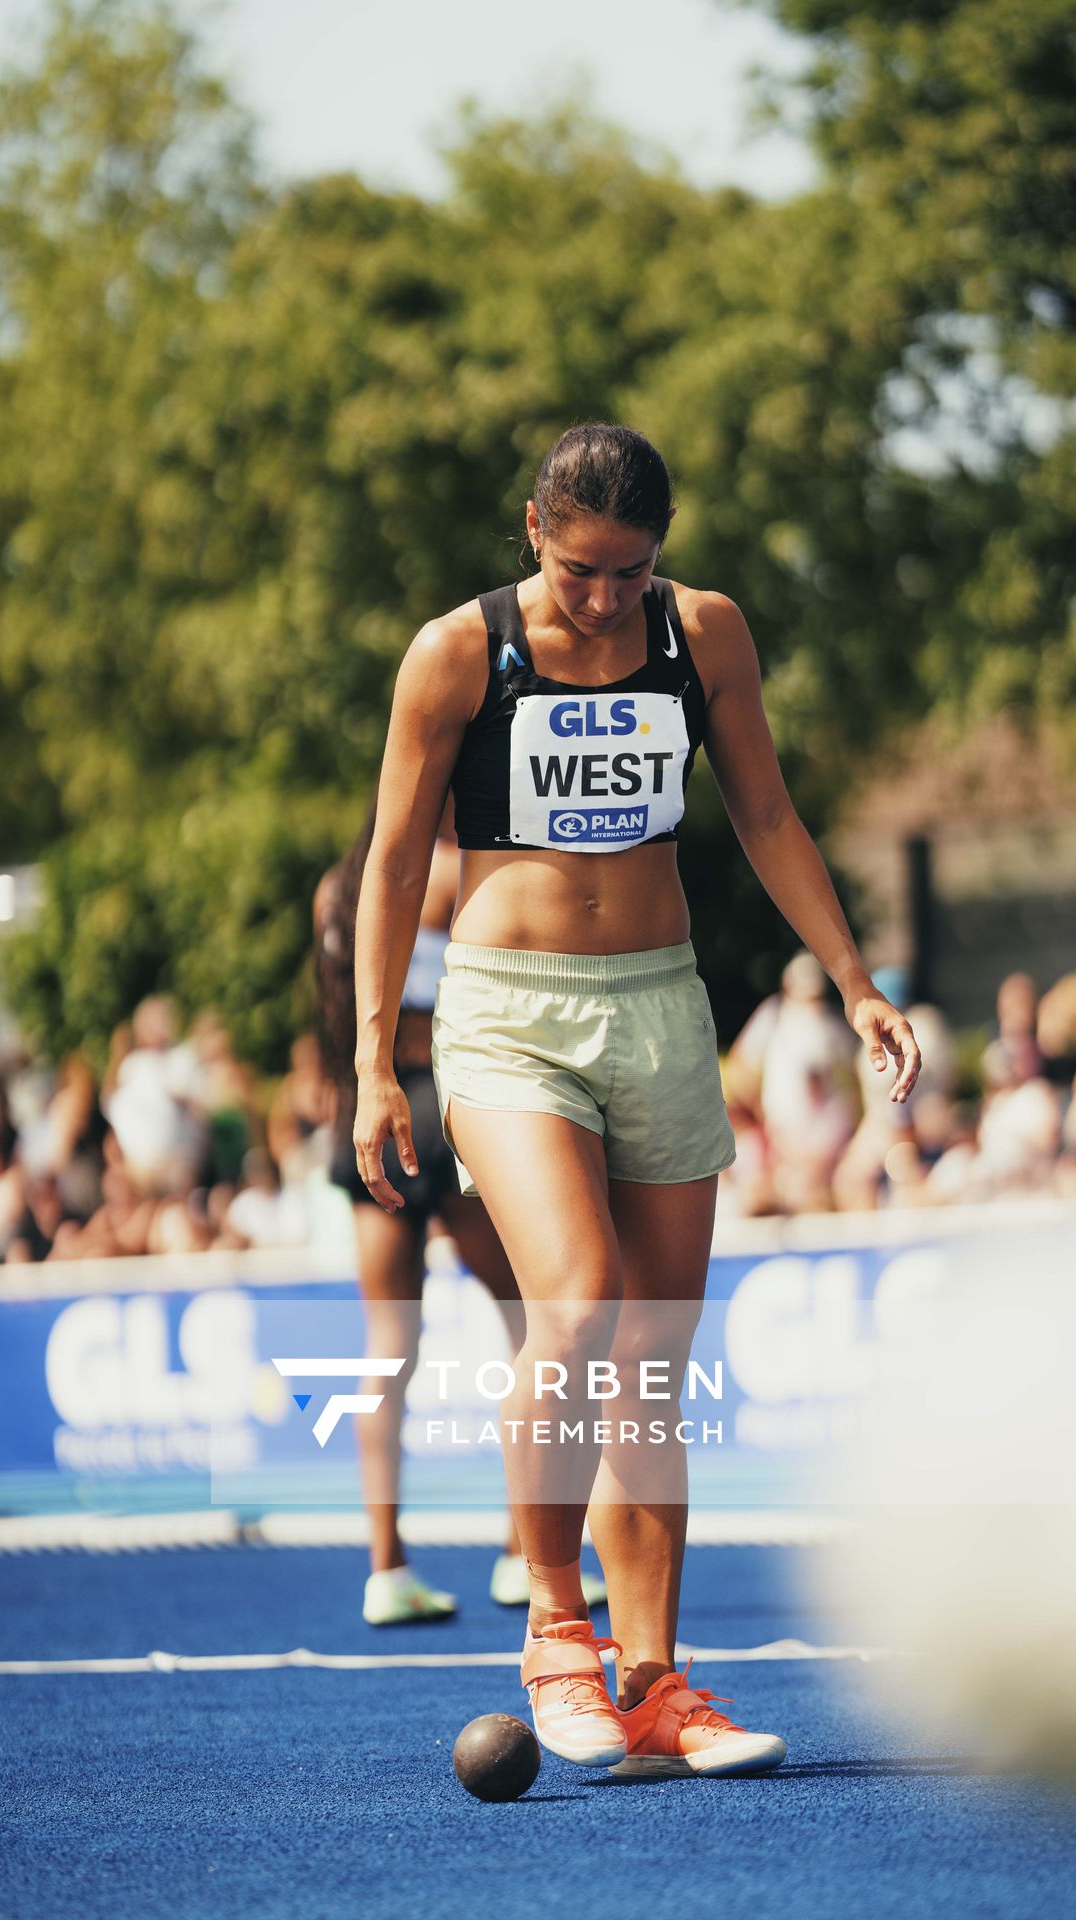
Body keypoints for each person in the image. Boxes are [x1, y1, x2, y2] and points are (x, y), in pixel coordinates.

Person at [352, 423, 919, 1776]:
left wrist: (854, 983)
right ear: (533, 529)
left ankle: (659, 1688)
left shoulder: (705, 634)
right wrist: (377, 1058)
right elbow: (387, 865)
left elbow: (769, 818)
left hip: (660, 1005)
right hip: (506, 1016)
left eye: (634, 572)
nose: (607, 601)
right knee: (582, 1297)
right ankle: (558, 1628)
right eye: (585, 572)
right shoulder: (456, 653)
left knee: (649, 1362)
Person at [319, 802, 606, 1625]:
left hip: (365, 1105)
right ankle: (526, 1555)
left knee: (386, 1350)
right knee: (530, 1319)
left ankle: (386, 1569)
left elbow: (338, 1013)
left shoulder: (334, 890)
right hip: (448, 1101)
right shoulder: (449, 872)